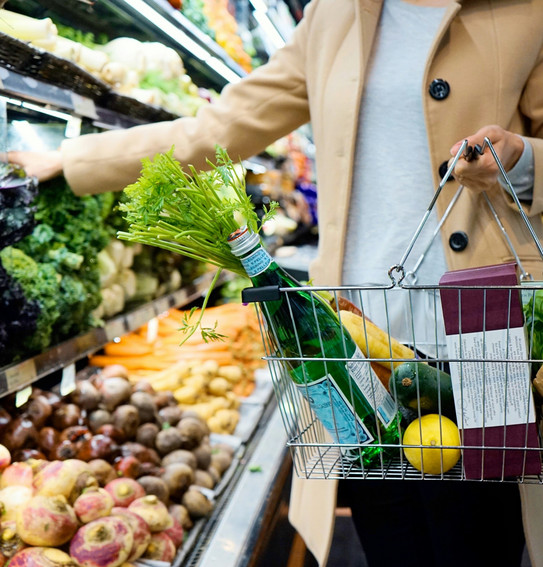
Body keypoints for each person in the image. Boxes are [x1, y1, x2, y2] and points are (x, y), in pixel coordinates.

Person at [8, 0, 543, 565]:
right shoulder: (335, 17)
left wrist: (522, 159)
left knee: (482, 540)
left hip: (486, 329)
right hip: (350, 336)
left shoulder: (524, 10)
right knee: (392, 539)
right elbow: (219, 129)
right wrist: (72, 158)